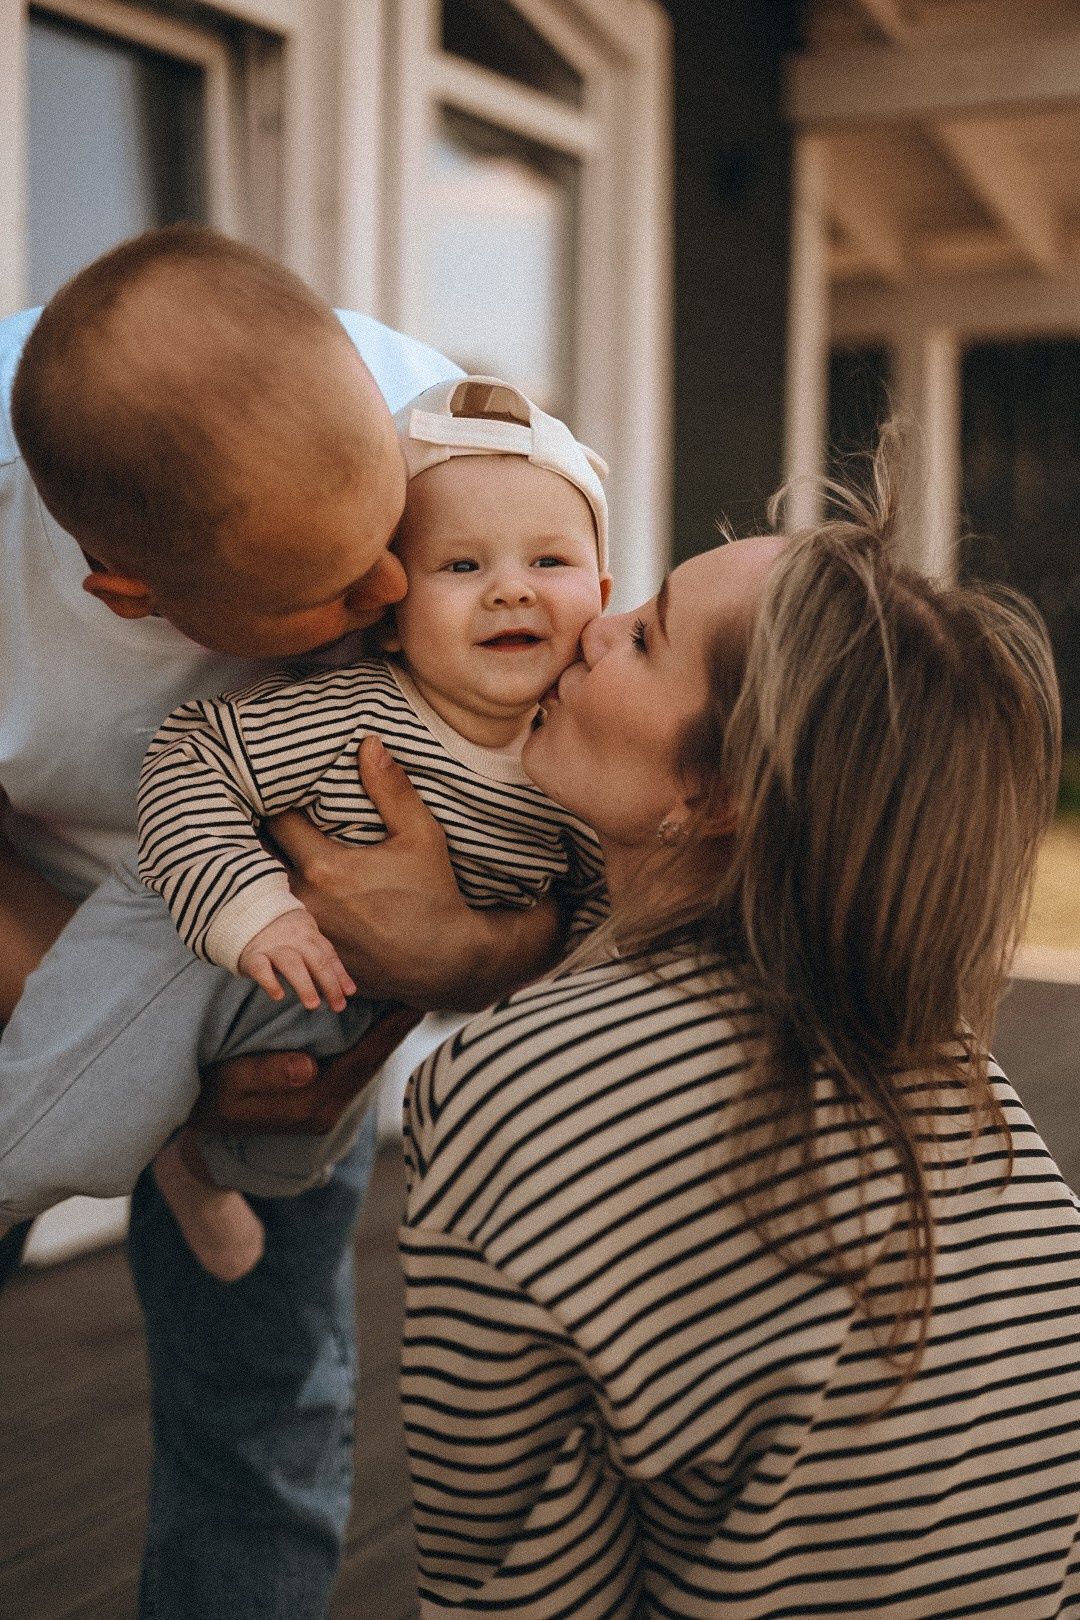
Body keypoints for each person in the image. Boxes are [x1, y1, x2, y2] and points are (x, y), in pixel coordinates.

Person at [397, 446, 1080, 1616]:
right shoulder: (956, 1074)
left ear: (717, 795)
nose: (595, 625)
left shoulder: (515, 1096)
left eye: (649, 636)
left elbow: (516, 1590)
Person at [0, 225, 568, 1619]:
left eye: (394, 540)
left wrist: (452, 963)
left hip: (313, 960)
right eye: (326, 586)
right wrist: (95, 1031)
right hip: (31, 912)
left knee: (265, 1404)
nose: (392, 597)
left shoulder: (438, 428)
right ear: (125, 592)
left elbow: (584, 761)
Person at [0, 374, 611, 1285]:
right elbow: (194, 756)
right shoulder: (356, 713)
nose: (510, 592)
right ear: (393, 619)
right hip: (198, 931)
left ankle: (195, 1169)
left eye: (550, 565)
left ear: (604, 590)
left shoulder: (589, 753)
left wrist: (515, 966)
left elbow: (609, 905)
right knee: (57, 1115)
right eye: (463, 567)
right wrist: (246, 909)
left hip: (346, 1001)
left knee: (287, 1159)